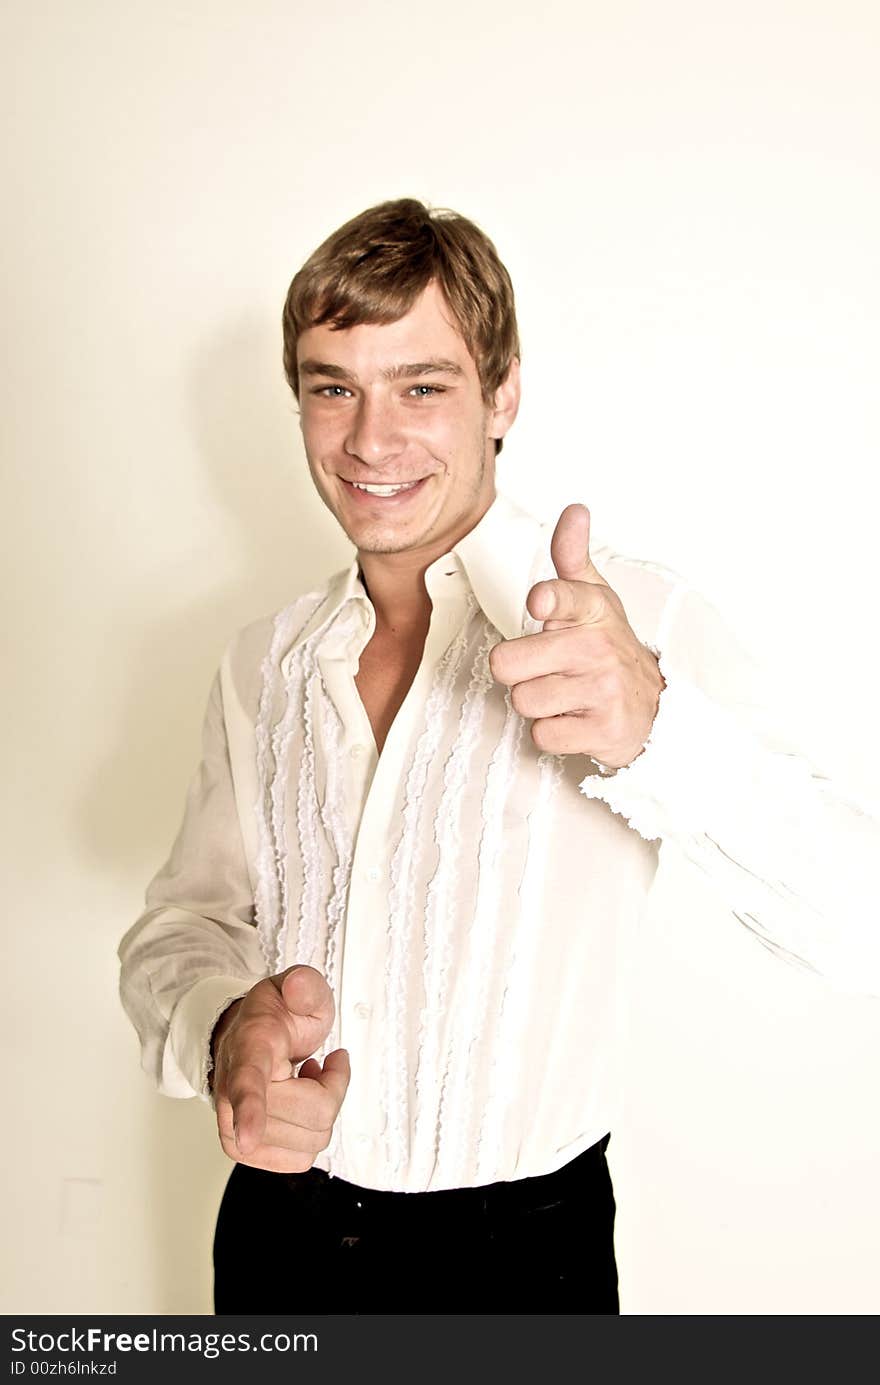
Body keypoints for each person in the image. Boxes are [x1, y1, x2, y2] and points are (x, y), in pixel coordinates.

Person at [118, 198, 879, 1315]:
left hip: (523, 1260)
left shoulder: (625, 622)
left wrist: (657, 731)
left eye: (421, 386)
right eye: (335, 387)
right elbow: (179, 927)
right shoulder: (259, 663)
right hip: (276, 1239)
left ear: (503, 393)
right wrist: (227, 1024)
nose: (371, 441)